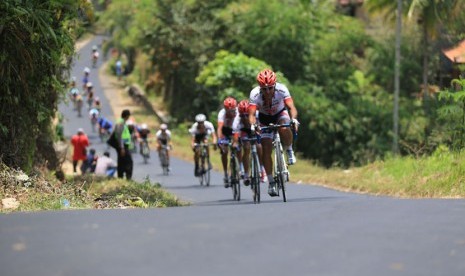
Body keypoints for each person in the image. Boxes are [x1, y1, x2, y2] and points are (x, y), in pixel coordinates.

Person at [249, 69, 299, 196]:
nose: (267, 91)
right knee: (266, 147)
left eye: (270, 88)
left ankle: (289, 150)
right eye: (264, 89)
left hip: (280, 113)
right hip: (264, 118)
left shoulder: (282, 90)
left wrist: (294, 119)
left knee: (283, 127)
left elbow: (291, 107)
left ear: (274, 86)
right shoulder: (255, 94)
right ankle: (271, 182)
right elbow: (251, 114)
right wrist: (254, 125)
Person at [237, 99, 267, 185]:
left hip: (256, 129)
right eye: (242, 116)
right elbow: (235, 133)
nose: (245, 118)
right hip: (244, 131)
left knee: (259, 146)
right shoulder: (237, 119)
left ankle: (262, 170)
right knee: (246, 148)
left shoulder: (257, 114)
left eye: (247, 115)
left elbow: (263, 127)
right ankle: (246, 174)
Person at [217, 97, 241, 187]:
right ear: (225, 108)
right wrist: (220, 140)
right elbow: (219, 128)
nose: (231, 112)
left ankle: (239, 168)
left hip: (237, 130)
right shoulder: (222, 113)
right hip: (226, 131)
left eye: (233, 110)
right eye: (228, 110)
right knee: (224, 151)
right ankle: (226, 174)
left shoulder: (239, 111)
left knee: (239, 148)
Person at [114, 109, 133, 180]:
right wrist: (122, 147)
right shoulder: (120, 122)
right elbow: (119, 135)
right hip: (122, 146)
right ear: (127, 116)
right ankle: (127, 177)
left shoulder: (123, 122)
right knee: (128, 161)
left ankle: (121, 177)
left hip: (124, 145)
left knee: (122, 161)